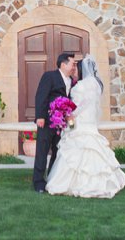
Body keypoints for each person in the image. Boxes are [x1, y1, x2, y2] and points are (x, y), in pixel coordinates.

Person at [46, 54, 125, 198]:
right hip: (90, 122)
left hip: (81, 121)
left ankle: (71, 184)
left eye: (76, 69)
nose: (74, 72)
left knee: (76, 152)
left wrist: (69, 114)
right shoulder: (95, 84)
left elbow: (79, 105)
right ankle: (97, 183)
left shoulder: (82, 85)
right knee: (93, 151)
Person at [31, 52, 76, 193]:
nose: (74, 67)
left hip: (61, 124)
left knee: (57, 152)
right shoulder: (49, 76)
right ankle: (38, 182)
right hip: (47, 121)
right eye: (72, 64)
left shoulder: (72, 81)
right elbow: (41, 95)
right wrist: (40, 116)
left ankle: (52, 178)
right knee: (42, 151)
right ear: (63, 64)